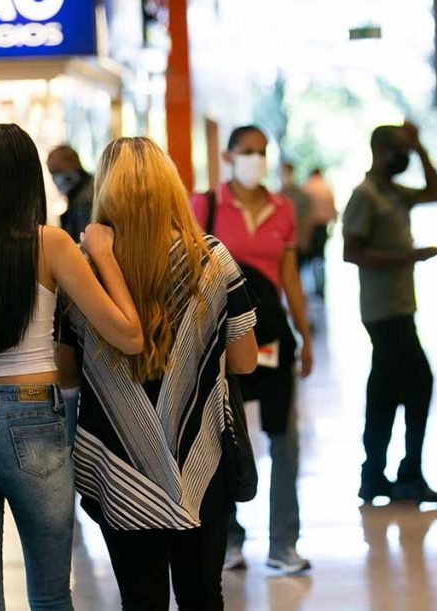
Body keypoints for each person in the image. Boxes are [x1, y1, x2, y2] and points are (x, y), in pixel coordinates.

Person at [0, 124, 143, 611]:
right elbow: (129, 334)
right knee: (52, 596)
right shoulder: (51, 246)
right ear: (30, 182)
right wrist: (103, 256)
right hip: (33, 423)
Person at [58, 137, 258, 610]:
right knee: (203, 594)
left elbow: (67, 375)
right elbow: (246, 361)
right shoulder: (213, 260)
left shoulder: (85, 271)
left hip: (118, 464)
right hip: (202, 458)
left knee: (140, 599)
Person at [192, 125, 314, 575]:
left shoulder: (282, 209)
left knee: (285, 437)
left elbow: (290, 277)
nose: (256, 159)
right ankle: (229, 538)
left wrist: (304, 334)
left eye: (262, 152)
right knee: (220, 437)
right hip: (221, 341)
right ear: (228, 156)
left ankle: (284, 543)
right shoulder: (204, 206)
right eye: (247, 152)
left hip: (273, 336)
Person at [342, 122, 437, 503]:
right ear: (381, 150)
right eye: (400, 149)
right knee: (418, 381)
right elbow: (350, 251)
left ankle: (380, 475)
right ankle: (401, 474)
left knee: (389, 390)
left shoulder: (394, 192)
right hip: (381, 311)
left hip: (401, 307)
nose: (403, 157)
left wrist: (420, 147)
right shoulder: (366, 195)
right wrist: (408, 256)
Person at [301, 168, 337, 297]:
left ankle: (306, 289)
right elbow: (333, 210)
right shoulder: (326, 188)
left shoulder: (306, 187)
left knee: (307, 259)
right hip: (322, 227)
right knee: (320, 258)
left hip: (309, 227)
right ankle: (320, 287)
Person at [48, 144, 94, 239]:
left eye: (58, 171)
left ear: (73, 163)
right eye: (52, 173)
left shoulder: (87, 196)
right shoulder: (76, 194)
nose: (56, 179)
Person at [280, 162, 313, 264]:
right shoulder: (277, 196)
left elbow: (306, 219)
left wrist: (304, 239)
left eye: (286, 173)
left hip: (297, 242)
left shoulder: (301, 195)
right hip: (281, 243)